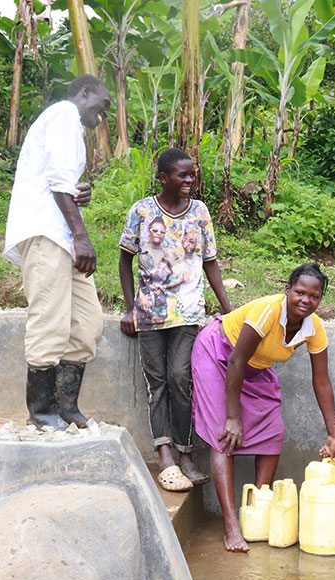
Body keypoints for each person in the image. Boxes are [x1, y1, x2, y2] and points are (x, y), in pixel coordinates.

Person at [192, 264, 335, 552]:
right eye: (299, 292)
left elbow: (321, 381)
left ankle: (259, 508)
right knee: (224, 436)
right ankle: (231, 524)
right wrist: (233, 417)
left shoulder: (314, 329)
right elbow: (236, 360)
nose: (305, 301)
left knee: (273, 431)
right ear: (287, 290)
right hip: (219, 352)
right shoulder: (268, 311)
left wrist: (333, 433)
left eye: (314, 296)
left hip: (254, 367)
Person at [119, 148, 233, 491]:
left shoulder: (199, 212)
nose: (189, 180)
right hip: (150, 311)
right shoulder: (141, 210)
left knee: (181, 377)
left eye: (192, 174)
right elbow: (125, 259)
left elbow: (210, 261)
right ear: (164, 177)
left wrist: (229, 310)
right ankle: (165, 454)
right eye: (182, 175)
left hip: (187, 310)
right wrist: (129, 308)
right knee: (158, 383)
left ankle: (186, 454)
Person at [3, 74, 111, 430]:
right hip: (48, 233)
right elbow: (58, 183)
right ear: (85, 92)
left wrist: (81, 193)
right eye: (103, 104)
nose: (104, 115)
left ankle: (66, 406)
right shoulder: (64, 113)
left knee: (87, 323)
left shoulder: (69, 128)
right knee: (49, 320)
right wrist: (82, 238)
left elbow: (59, 180)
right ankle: (42, 412)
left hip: (63, 235)